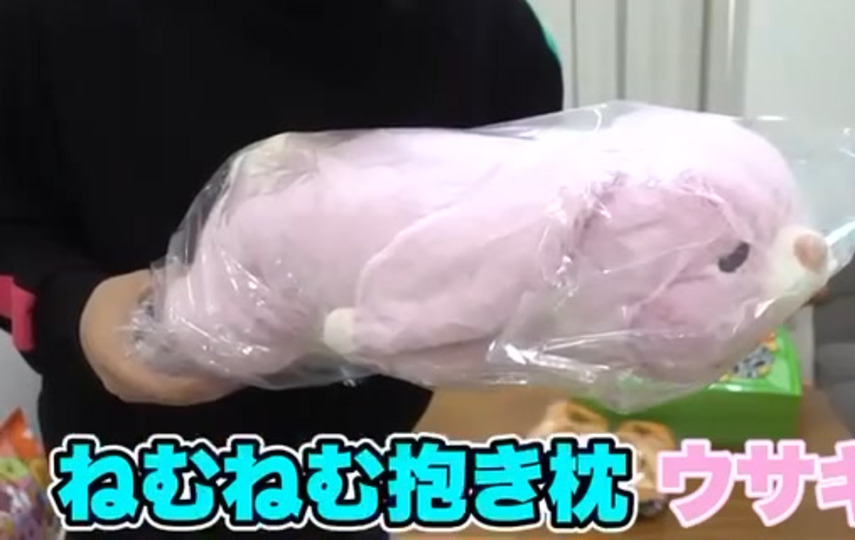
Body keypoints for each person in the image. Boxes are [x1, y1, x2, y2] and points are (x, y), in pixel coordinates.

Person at [0, 0, 563, 538]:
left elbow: (528, 226)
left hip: (357, 473)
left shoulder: (490, 30)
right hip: (131, 476)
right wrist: (74, 309)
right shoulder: (46, 22)